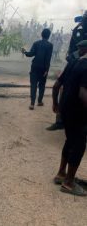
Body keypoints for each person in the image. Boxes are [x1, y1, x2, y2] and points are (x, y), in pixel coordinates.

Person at [53, 40, 87, 196]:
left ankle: (61, 174)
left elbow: (56, 85)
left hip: (66, 110)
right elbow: (83, 94)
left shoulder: (73, 63)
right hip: (78, 113)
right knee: (79, 146)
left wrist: (56, 104)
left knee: (70, 140)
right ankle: (68, 183)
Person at [22, 29, 53, 110]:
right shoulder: (50, 45)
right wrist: (47, 70)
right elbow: (48, 58)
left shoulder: (36, 43)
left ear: (41, 34)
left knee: (33, 85)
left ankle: (32, 104)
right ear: (49, 36)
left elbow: (31, 54)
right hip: (43, 68)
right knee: (42, 85)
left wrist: (25, 52)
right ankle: (39, 101)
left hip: (35, 66)